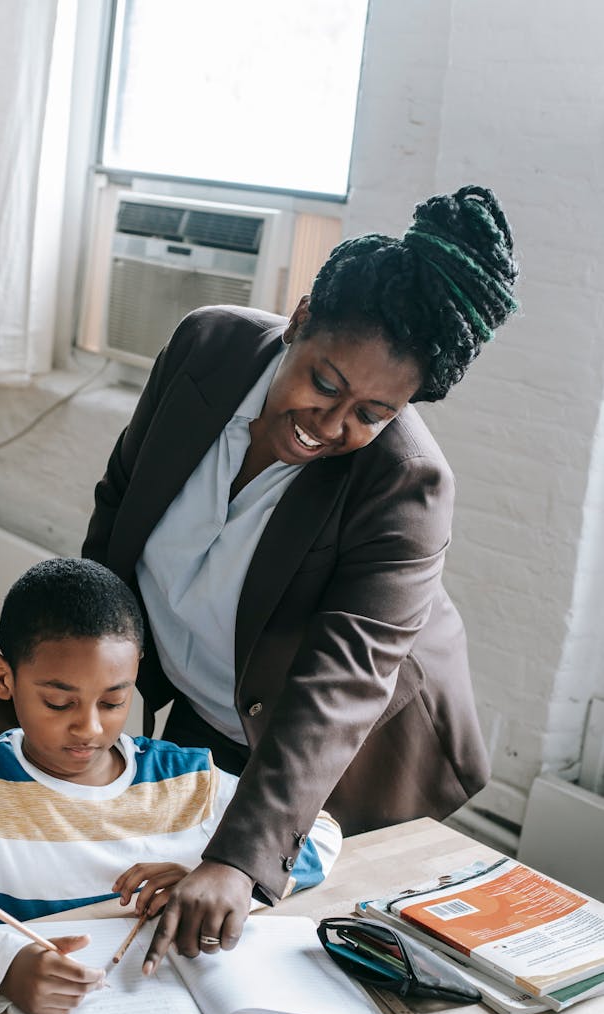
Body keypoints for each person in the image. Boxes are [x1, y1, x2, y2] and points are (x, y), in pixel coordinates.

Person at [82, 184, 520, 971]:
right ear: (301, 316)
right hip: (210, 704)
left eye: (372, 413)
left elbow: (341, 682)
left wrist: (241, 859)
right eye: (324, 382)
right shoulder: (203, 349)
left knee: (292, 973)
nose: (330, 425)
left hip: (339, 762)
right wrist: (83, 683)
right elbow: (119, 509)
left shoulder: (406, 484)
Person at [0, 558, 341, 1014]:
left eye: (113, 701)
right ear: (3, 677)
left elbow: (317, 832)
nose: (88, 728)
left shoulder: (186, 779)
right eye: (59, 703)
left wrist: (218, 879)